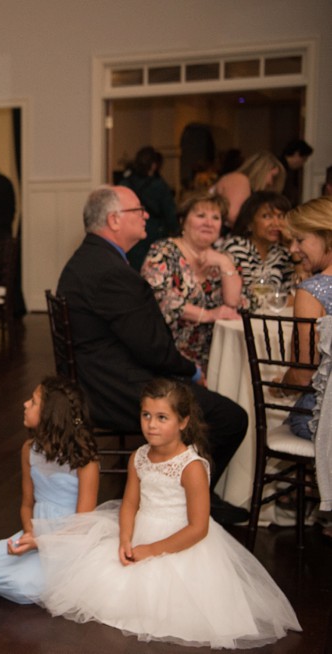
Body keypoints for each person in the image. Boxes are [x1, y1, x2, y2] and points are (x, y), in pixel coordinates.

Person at [35, 379, 301, 649]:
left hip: (181, 541)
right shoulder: (138, 457)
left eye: (162, 417)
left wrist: (151, 550)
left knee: (168, 607)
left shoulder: (191, 467)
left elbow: (198, 528)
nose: (151, 424)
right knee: (108, 589)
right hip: (140, 532)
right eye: (146, 415)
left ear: (183, 422)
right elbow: (129, 504)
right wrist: (125, 538)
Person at [56, 186, 248, 524]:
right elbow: (153, 348)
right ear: (114, 220)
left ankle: (187, 492)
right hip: (112, 388)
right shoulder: (110, 271)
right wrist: (190, 372)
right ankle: (188, 501)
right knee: (231, 418)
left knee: (209, 404)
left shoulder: (91, 258)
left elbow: (146, 341)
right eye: (138, 210)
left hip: (98, 377)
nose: (147, 215)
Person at [0, 376, 99, 604]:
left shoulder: (86, 463)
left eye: (33, 402)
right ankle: (30, 573)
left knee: (23, 587)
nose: (25, 404)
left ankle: (36, 577)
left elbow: (82, 525)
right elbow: (27, 503)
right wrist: (29, 534)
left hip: (67, 540)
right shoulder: (29, 449)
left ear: (50, 415)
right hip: (35, 532)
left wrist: (43, 543)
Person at [141, 192, 242, 371]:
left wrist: (224, 263)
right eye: (200, 215)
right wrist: (209, 315)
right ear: (182, 221)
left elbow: (233, 302)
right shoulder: (163, 251)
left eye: (216, 217)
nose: (209, 223)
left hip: (216, 356)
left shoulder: (224, 256)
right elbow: (161, 300)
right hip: (170, 355)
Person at [280, 197, 332, 441]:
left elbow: (303, 375)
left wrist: (279, 386)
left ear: (328, 238)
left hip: (324, 419)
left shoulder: (312, 291)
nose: (292, 249)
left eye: (299, 240)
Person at [219, 191, 295, 307]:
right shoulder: (237, 247)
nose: (276, 223)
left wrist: (293, 249)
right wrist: (282, 301)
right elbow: (243, 298)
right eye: (267, 216)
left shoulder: (282, 252)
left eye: (280, 216)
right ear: (250, 222)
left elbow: (298, 293)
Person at [118, 146, 177, 271]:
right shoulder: (159, 186)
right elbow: (170, 214)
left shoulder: (125, 183)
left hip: (128, 232)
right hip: (154, 233)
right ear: (154, 165)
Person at [211, 150, 286, 229]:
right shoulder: (239, 179)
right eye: (272, 176)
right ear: (261, 171)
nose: (271, 183)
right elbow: (233, 216)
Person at [280, 138, 313, 206]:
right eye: (303, 159)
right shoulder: (280, 168)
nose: (303, 163)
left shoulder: (290, 171)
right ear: (296, 154)